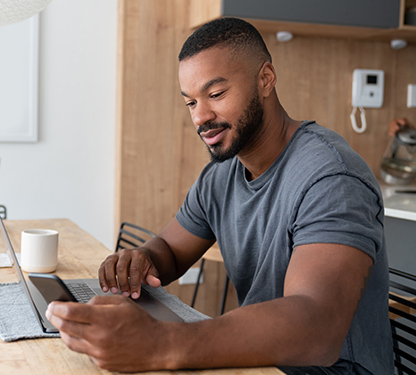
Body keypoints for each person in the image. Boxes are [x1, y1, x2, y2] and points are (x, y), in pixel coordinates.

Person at [45, 17, 393, 374]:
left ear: (265, 79)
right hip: (262, 363)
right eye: (191, 103)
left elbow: (316, 327)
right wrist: (141, 258)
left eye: (215, 95)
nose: (202, 117)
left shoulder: (332, 177)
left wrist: (162, 344)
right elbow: (168, 251)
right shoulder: (221, 175)